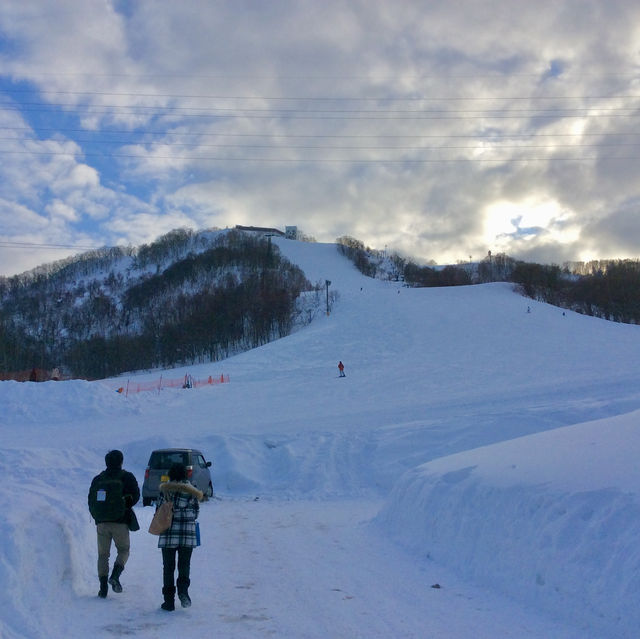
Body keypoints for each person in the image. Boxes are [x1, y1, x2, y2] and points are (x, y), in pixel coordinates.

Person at [88, 450, 140, 598]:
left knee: (103, 555)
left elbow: (90, 499)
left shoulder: (98, 479)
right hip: (120, 521)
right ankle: (115, 575)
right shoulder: (127, 477)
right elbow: (136, 496)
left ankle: (102, 588)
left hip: (101, 523)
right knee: (124, 550)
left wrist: (97, 516)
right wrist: (125, 506)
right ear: (121, 461)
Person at [156, 462, 204, 611]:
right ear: (185, 475)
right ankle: (183, 591)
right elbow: (196, 513)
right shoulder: (192, 491)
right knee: (184, 564)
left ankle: (168, 601)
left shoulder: (165, 490)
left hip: (168, 534)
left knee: (168, 568)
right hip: (187, 534)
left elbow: (159, 510)